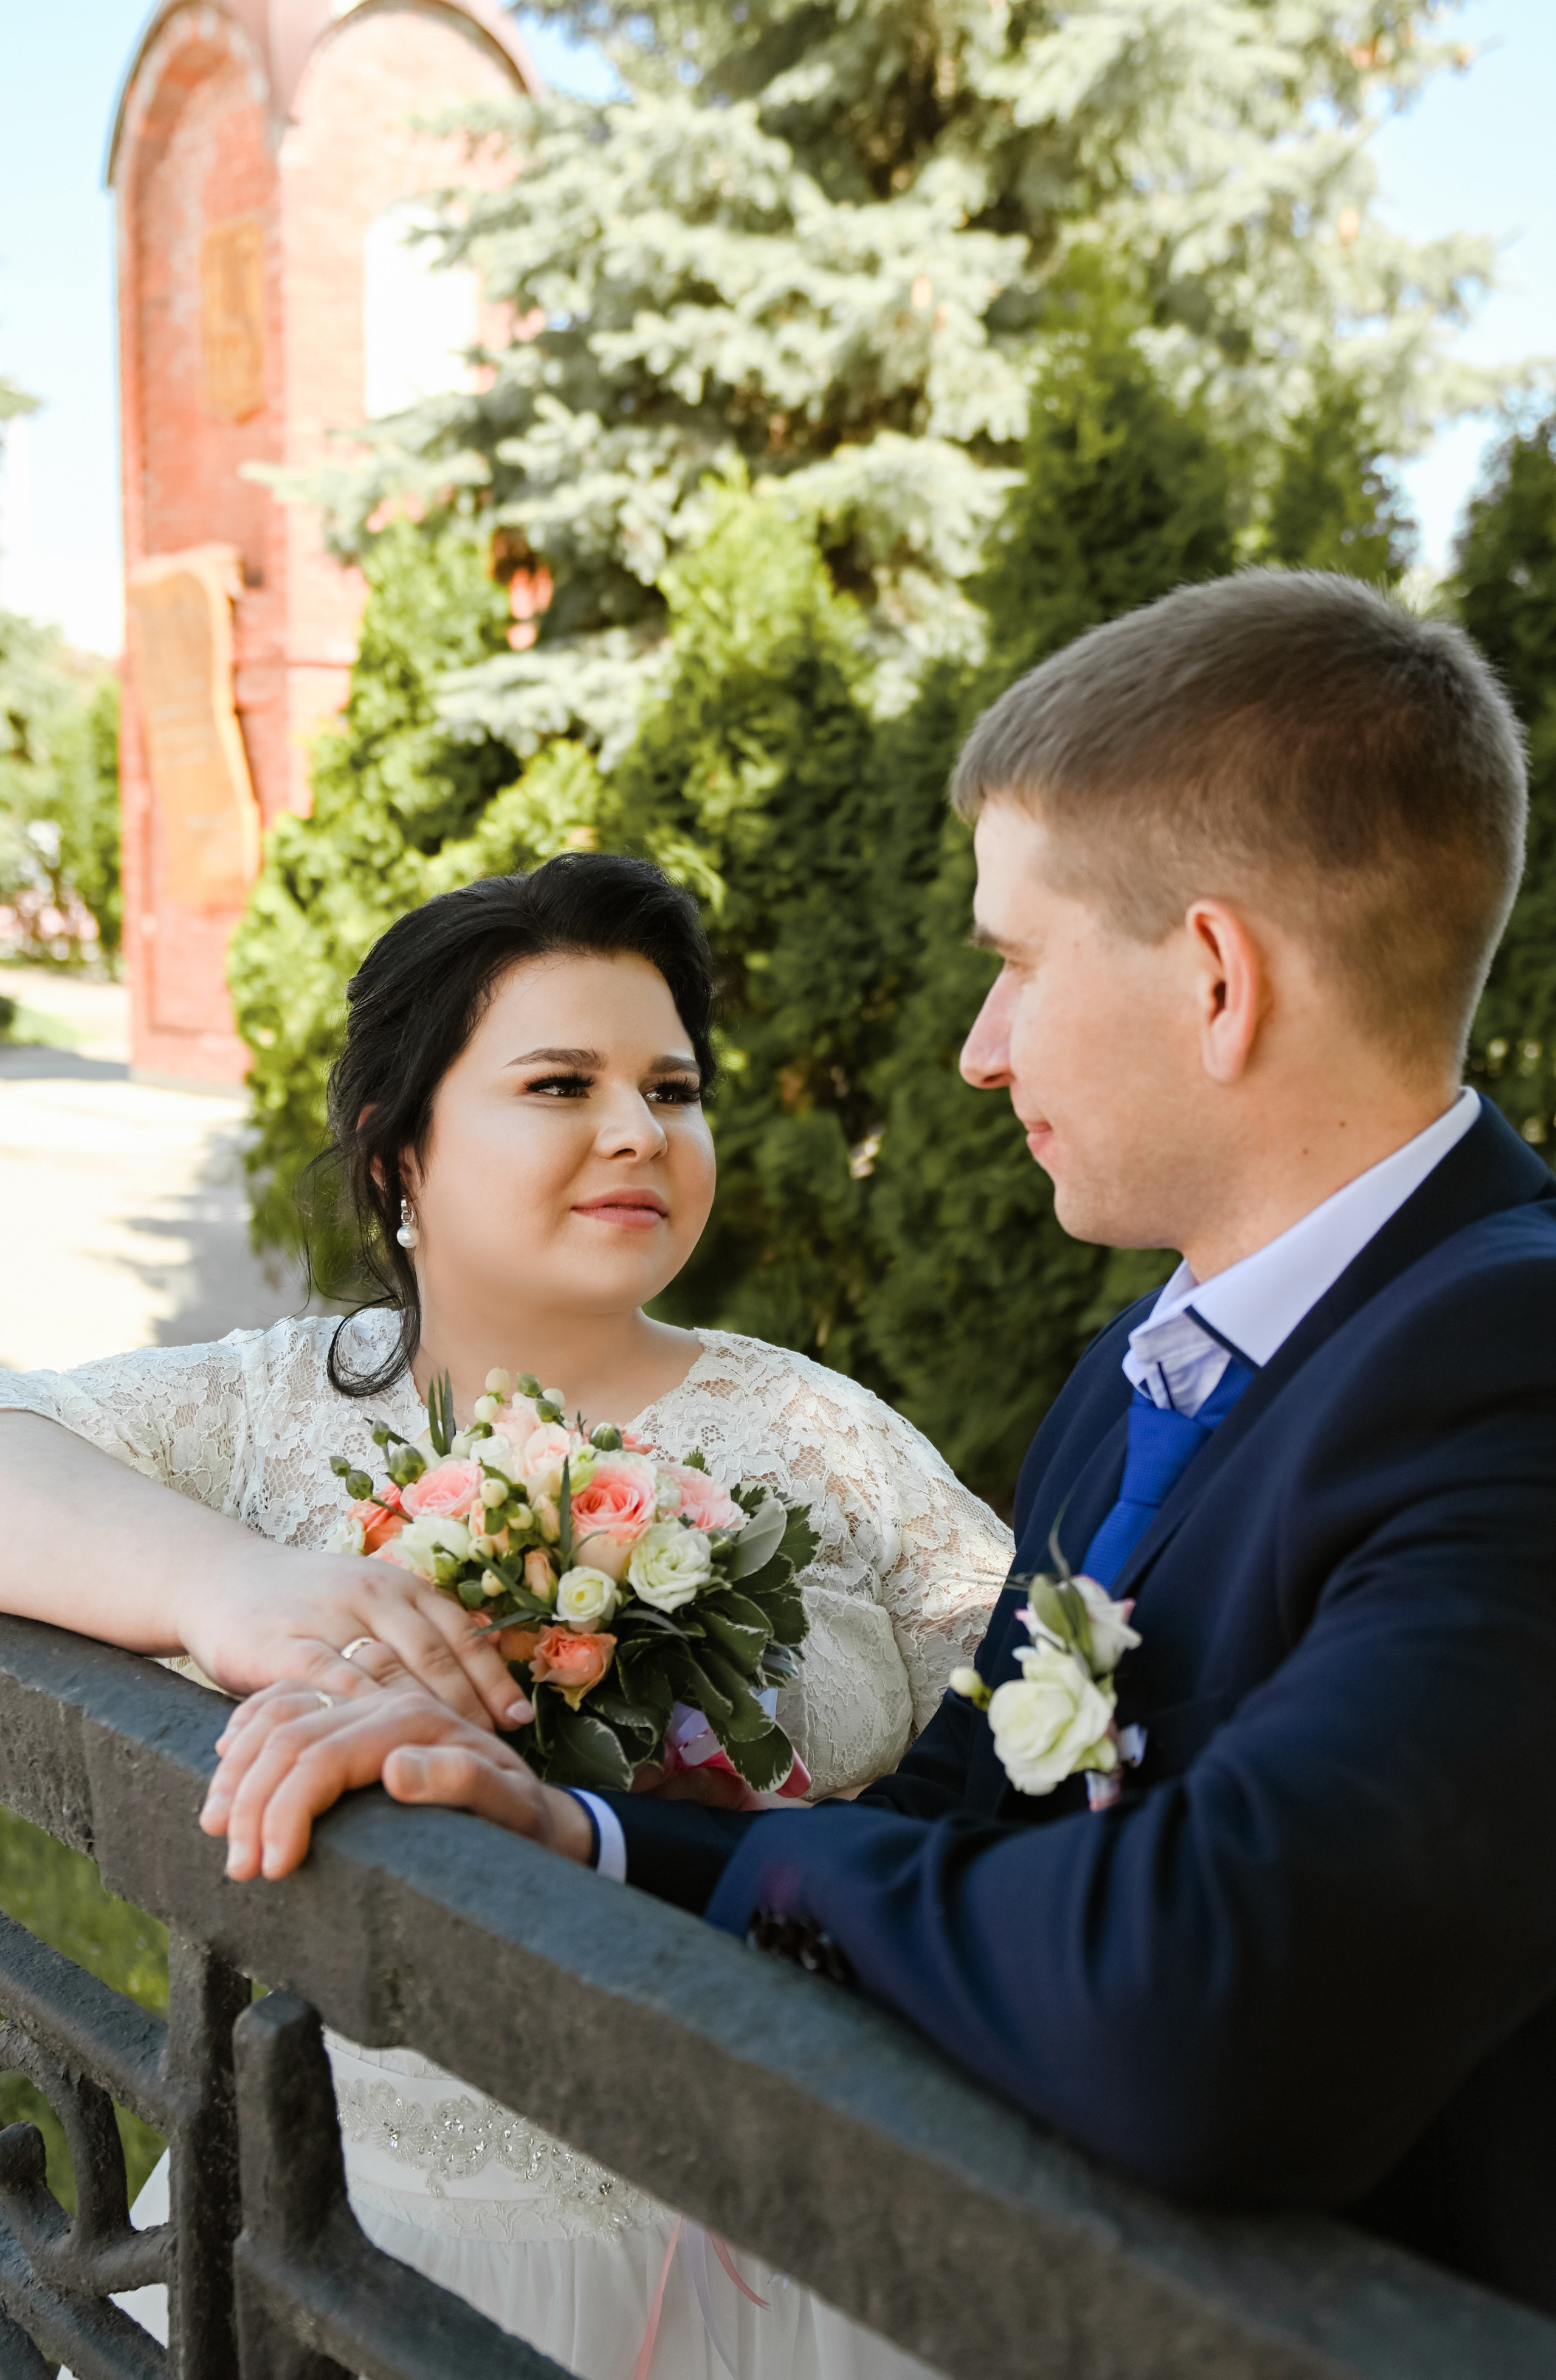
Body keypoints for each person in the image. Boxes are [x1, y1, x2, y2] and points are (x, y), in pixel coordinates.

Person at [213, 569, 1556, 2321]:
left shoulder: (1513, 1358)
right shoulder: (1138, 1372)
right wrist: (584, 1831)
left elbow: (1203, 2001)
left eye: (1015, 964)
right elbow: (966, 1806)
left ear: (1218, 980)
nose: (979, 1052)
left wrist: (780, 1861)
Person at [0, 853, 1011, 2379]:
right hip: (365, 2245)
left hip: (795, 2244)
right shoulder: (273, 1410)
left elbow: (1037, 1721)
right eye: (559, 1084)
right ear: (396, 1148)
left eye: (671, 1089)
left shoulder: (816, 1430)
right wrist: (230, 1582)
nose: (638, 1130)